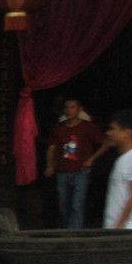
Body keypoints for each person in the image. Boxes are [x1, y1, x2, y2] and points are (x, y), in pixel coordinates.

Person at [45, 98, 107, 229]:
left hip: (81, 171)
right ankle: (67, 230)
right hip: (62, 171)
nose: (69, 110)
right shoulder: (59, 128)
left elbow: (105, 143)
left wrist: (91, 159)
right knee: (64, 205)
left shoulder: (88, 127)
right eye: (66, 107)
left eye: (72, 107)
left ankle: (74, 233)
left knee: (77, 204)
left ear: (79, 109)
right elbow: (51, 148)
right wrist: (50, 165)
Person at [103, 108, 132, 231]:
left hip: (128, 229)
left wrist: (119, 225)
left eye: (113, 129)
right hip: (115, 229)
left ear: (127, 133)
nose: (109, 133)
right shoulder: (121, 160)